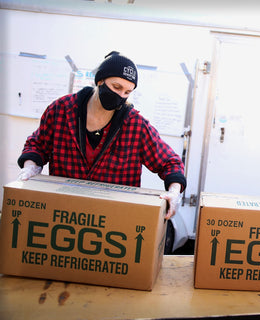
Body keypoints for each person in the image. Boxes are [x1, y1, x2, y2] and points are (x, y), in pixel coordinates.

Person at [17, 51, 186, 219]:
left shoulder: (135, 126)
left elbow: (170, 162)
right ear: (100, 80)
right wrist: (30, 168)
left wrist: (174, 192)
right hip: (63, 212)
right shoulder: (61, 110)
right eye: (116, 87)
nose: (120, 96)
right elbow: (37, 145)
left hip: (112, 219)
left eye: (127, 92)